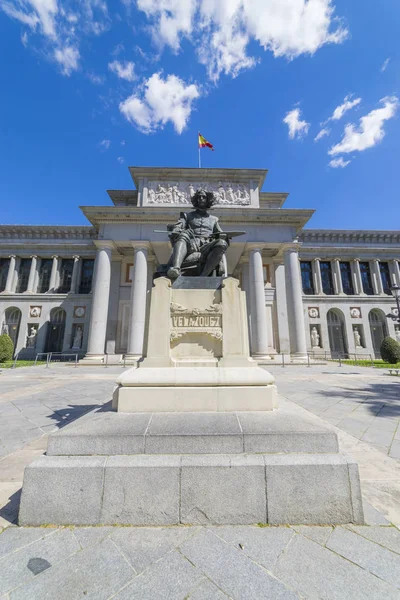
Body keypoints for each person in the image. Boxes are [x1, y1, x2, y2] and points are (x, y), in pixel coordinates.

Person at [166, 189, 229, 280]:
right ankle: (176, 269)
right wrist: (176, 229)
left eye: (203, 197)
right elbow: (179, 226)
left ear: (208, 200)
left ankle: (203, 276)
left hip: (206, 246)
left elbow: (220, 233)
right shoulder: (187, 216)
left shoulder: (214, 219)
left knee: (222, 243)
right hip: (191, 244)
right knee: (183, 235)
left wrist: (223, 236)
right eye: (199, 197)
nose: (201, 199)